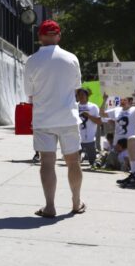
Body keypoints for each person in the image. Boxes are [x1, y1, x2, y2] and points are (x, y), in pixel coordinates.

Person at [23, 20, 84, 217]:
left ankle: (50, 206)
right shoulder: (71, 58)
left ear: (40, 36)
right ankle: (76, 202)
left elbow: (28, 92)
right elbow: (76, 87)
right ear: (58, 36)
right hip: (68, 117)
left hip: (44, 118)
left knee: (47, 163)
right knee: (73, 161)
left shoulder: (32, 60)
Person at [114, 95, 135, 187]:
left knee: (131, 141)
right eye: (121, 100)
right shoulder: (118, 110)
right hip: (122, 141)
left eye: (125, 100)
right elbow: (103, 114)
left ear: (130, 101)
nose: (122, 101)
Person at [75, 87, 102, 165]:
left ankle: (89, 158)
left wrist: (89, 116)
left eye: (83, 94)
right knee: (75, 163)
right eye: (79, 95)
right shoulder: (74, 106)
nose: (80, 96)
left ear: (87, 96)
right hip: (77, 139)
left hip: (90, 139)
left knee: (92, 162)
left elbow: (99, 121)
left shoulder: (93, 107)